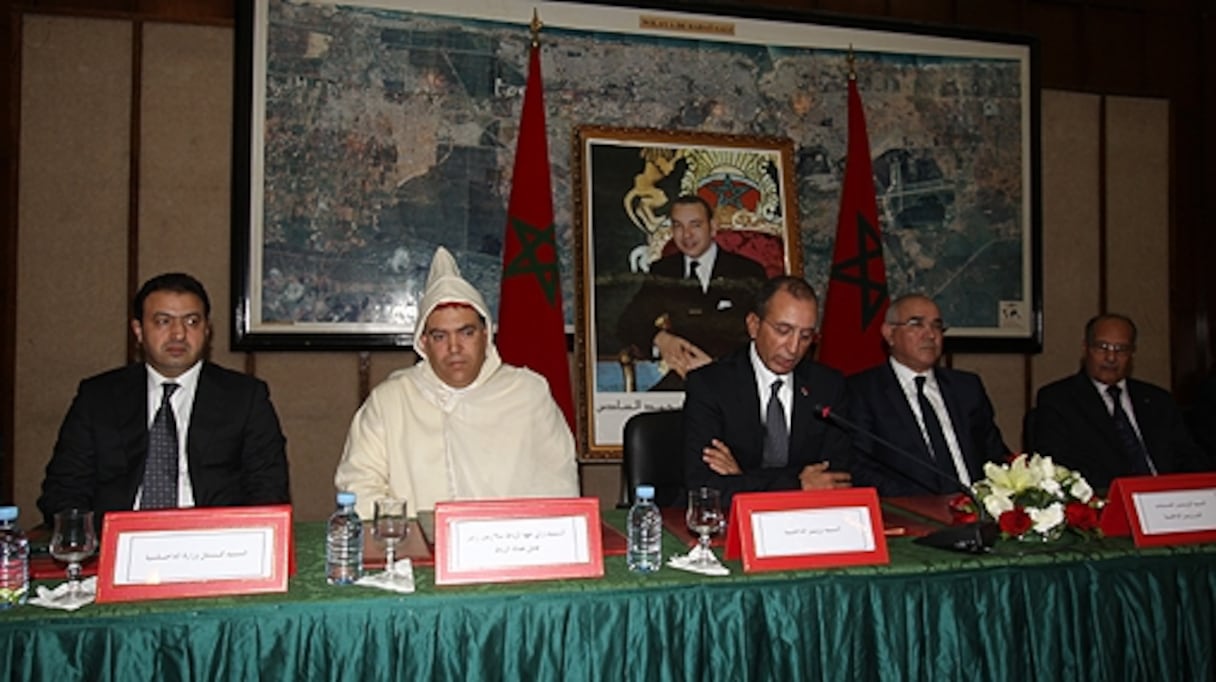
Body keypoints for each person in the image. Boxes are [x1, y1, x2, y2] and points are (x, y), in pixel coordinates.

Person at [334, 246, 579, 517]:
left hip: (513, 549)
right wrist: (406, 534)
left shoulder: (528, 393)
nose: (454, 347)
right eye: (440, 336)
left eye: (466, 333)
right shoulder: (391, 401)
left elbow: (560, 487)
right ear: (423, 343)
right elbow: (359, 485)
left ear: (485, 334)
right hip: (416, 553)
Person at [37, 273, 291, 526]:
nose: (178, 334)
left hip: (212, 542)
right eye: (163, 321)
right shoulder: (98, 397)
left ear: (206, 329)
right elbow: (63, 490)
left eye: (191, 321)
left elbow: (268, 489)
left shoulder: (244, 397)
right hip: (119, 540)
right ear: (138, 330)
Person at [683, 276, 853, 508]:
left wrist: (742, 477)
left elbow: (836, 480)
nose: (793, 349)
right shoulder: (710, 385)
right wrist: (795, 484)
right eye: (783, 330)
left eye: (805, 336)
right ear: (754, 325)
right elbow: (704, 488)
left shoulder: (828, 387)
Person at [847, 294, 1009, 497]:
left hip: (978, 511)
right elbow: (859, 468)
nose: (930, 335)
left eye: (936, 326)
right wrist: (924, 504)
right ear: (889, 333)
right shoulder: (862, 391)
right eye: (917, 325)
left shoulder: (967, 387)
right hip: (912, 514)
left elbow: (995, 455)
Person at [1030, 313, 1210, 489]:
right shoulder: (1059, 399)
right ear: (1086, 348)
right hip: (1106, 501)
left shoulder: (1158, 400)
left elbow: (1189, 458)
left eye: (1121, 350)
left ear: (1132, 353)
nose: (1111, 358)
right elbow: (1059, 466)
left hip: (1166, 500)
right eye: (1102, 347)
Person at [616, 195, 767, 391]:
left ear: (712, 227)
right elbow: (628, 323)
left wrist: (715, 365)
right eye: (678, 226)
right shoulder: (664, 271)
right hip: (682, 379)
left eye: (695, 225)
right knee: (644, 420)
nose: (686, 235)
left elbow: (765, 332)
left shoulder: (747, 271)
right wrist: (660, 339)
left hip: (736, 379)